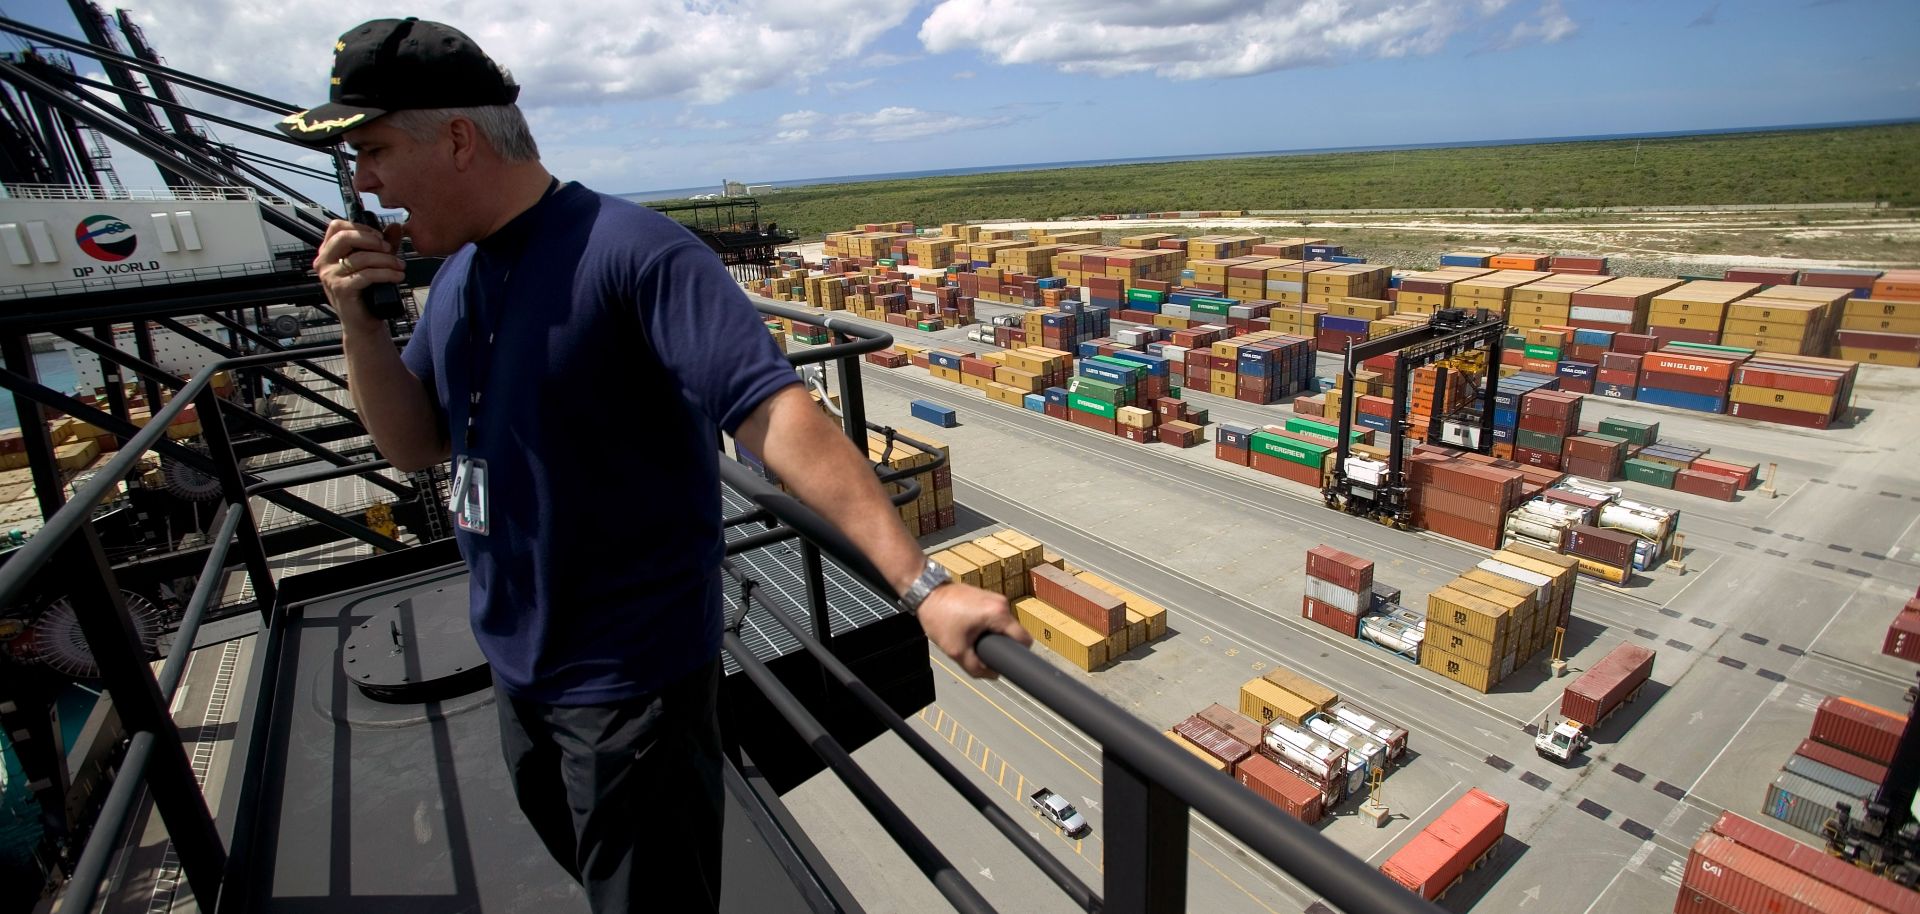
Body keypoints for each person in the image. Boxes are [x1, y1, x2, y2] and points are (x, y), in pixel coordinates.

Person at [277, 18, 1030, 913]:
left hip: (629, 691)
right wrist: (360, 324)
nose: (361, 181)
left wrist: (922, 584)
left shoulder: (633, 254)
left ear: (458, 137)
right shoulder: (461, 277)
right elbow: (417, 444)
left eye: (373, 149)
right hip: (518, 666)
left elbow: (775, 412)